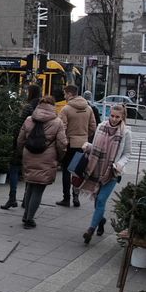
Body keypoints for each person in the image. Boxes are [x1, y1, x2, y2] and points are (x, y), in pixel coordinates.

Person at [79, 103, 132, 244]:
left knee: (101, 199)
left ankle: (90, 230)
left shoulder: (126, 132)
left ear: (122, 117)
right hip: (96, 169)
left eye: (117, 117)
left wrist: (119, 165)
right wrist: (87, 146)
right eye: (112, 115)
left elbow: (127, 154)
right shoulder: (101, 126)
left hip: (112, 172)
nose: (114, 119)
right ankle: (101, 220)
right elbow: (95, 147)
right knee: (97, 202)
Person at [15, 95, 67, 229]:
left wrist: (22, 153)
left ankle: (26, 214)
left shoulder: (28, 120)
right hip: (47, 157)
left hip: (28, 154)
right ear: (53, 106)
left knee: (30, 186)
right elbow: (62, 144)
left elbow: (20, 139)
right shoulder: (57, 122)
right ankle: (29, 219)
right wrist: (59, 158)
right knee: (38, 189)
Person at [1, 83, 42, 210]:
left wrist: (17, 144)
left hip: (24, 143)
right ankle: (26, 199)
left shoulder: (28, 107)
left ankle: (12, 198)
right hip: (37, 144)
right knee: (30, 172)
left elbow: (20, 127)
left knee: (14, 168)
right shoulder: (43, 108)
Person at [55, 84, 97, 208]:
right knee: (77, 171)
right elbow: (93, 127)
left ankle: (66, 198)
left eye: (65, 94)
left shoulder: (66, 109)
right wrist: (84, 136)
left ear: (69, 94)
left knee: (67, 171)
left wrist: (64, 141)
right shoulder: (88, 108)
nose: (64, 96)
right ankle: (76, 197)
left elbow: (62, 128)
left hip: (69, 144)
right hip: (83, 144)